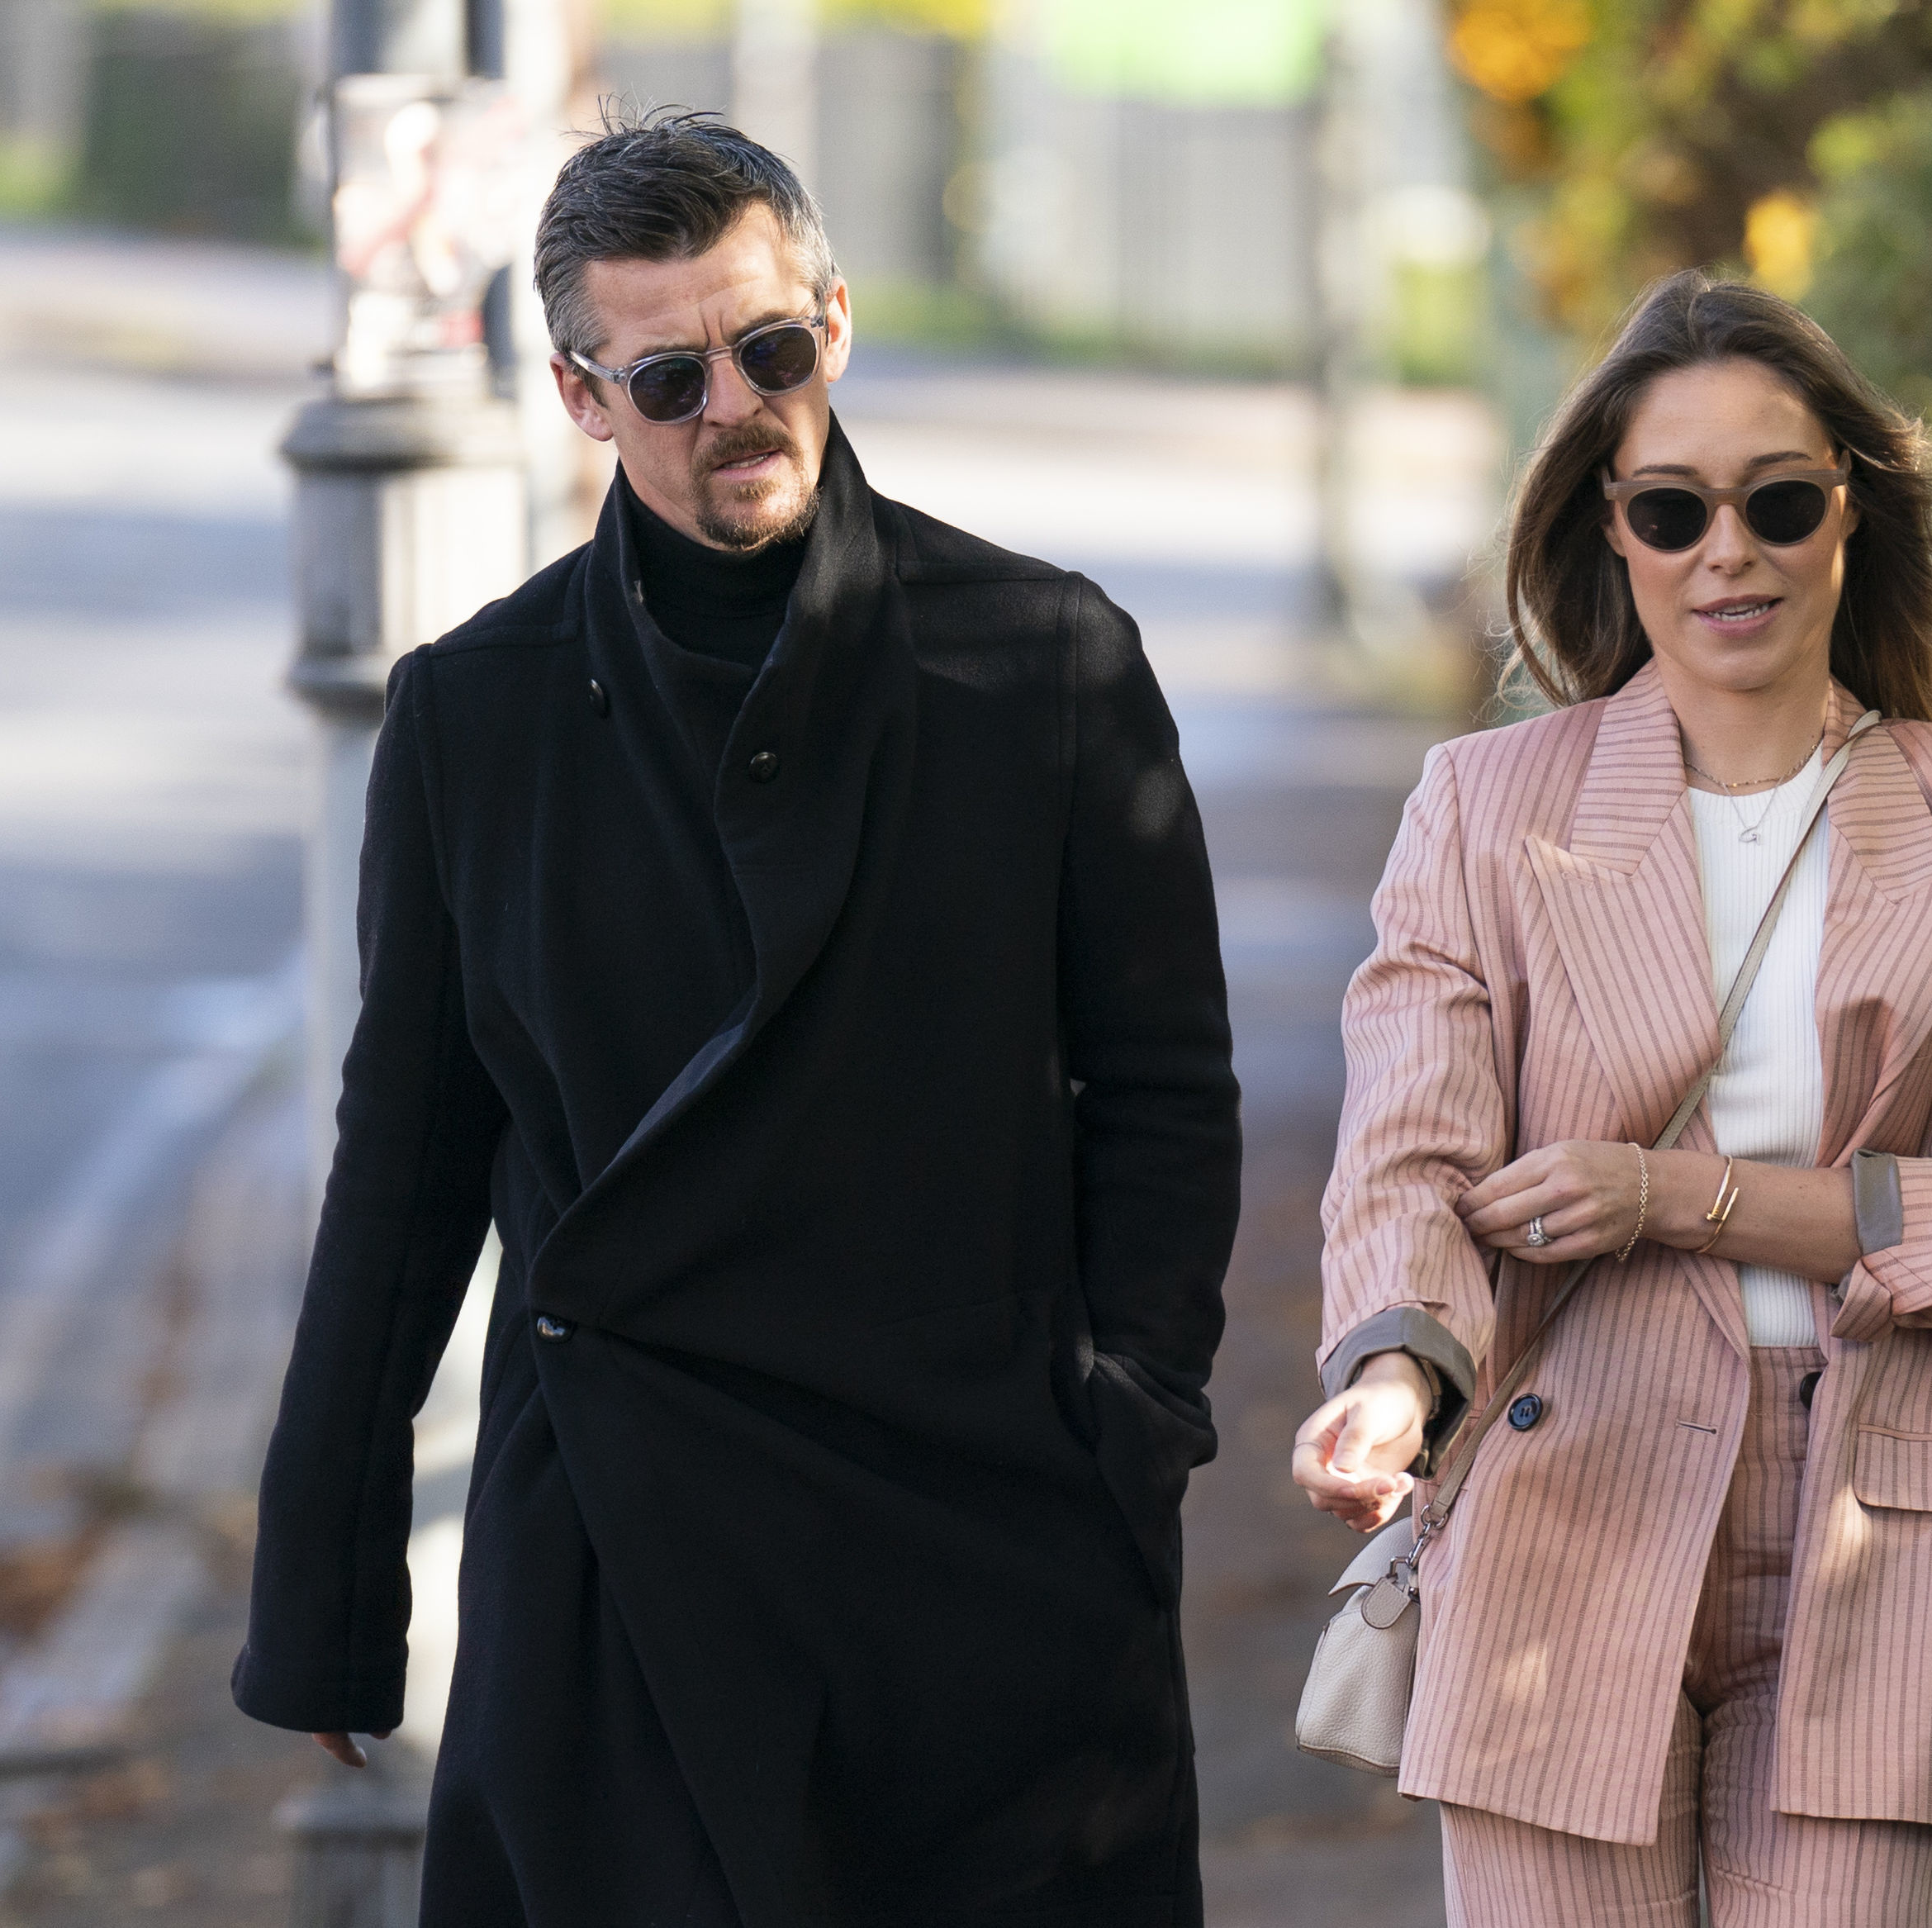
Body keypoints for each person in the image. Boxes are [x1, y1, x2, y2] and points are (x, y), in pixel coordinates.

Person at [234, 112, 1239, 1927]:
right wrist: (328, 1584)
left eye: (771, 350)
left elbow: (1164, 1092)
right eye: (670, 374)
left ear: (834, 327)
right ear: (577, 396)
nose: (735, 407)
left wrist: (1126, 1428)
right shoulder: (476, 720)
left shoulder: (1042, 659)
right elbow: (403, 1176)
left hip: (981, 1541)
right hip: (621, 1558)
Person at [1289, 273, 1932, 1924]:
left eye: (1776, 499)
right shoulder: (1484, 807)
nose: (1724, 551)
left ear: (1847, 510)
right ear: (1613, 534)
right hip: (1563, 1491)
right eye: (1671, 510)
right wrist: (1394, 1378)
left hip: (1882, 1519)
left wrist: (1674, 1194)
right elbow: (1412, 1133)